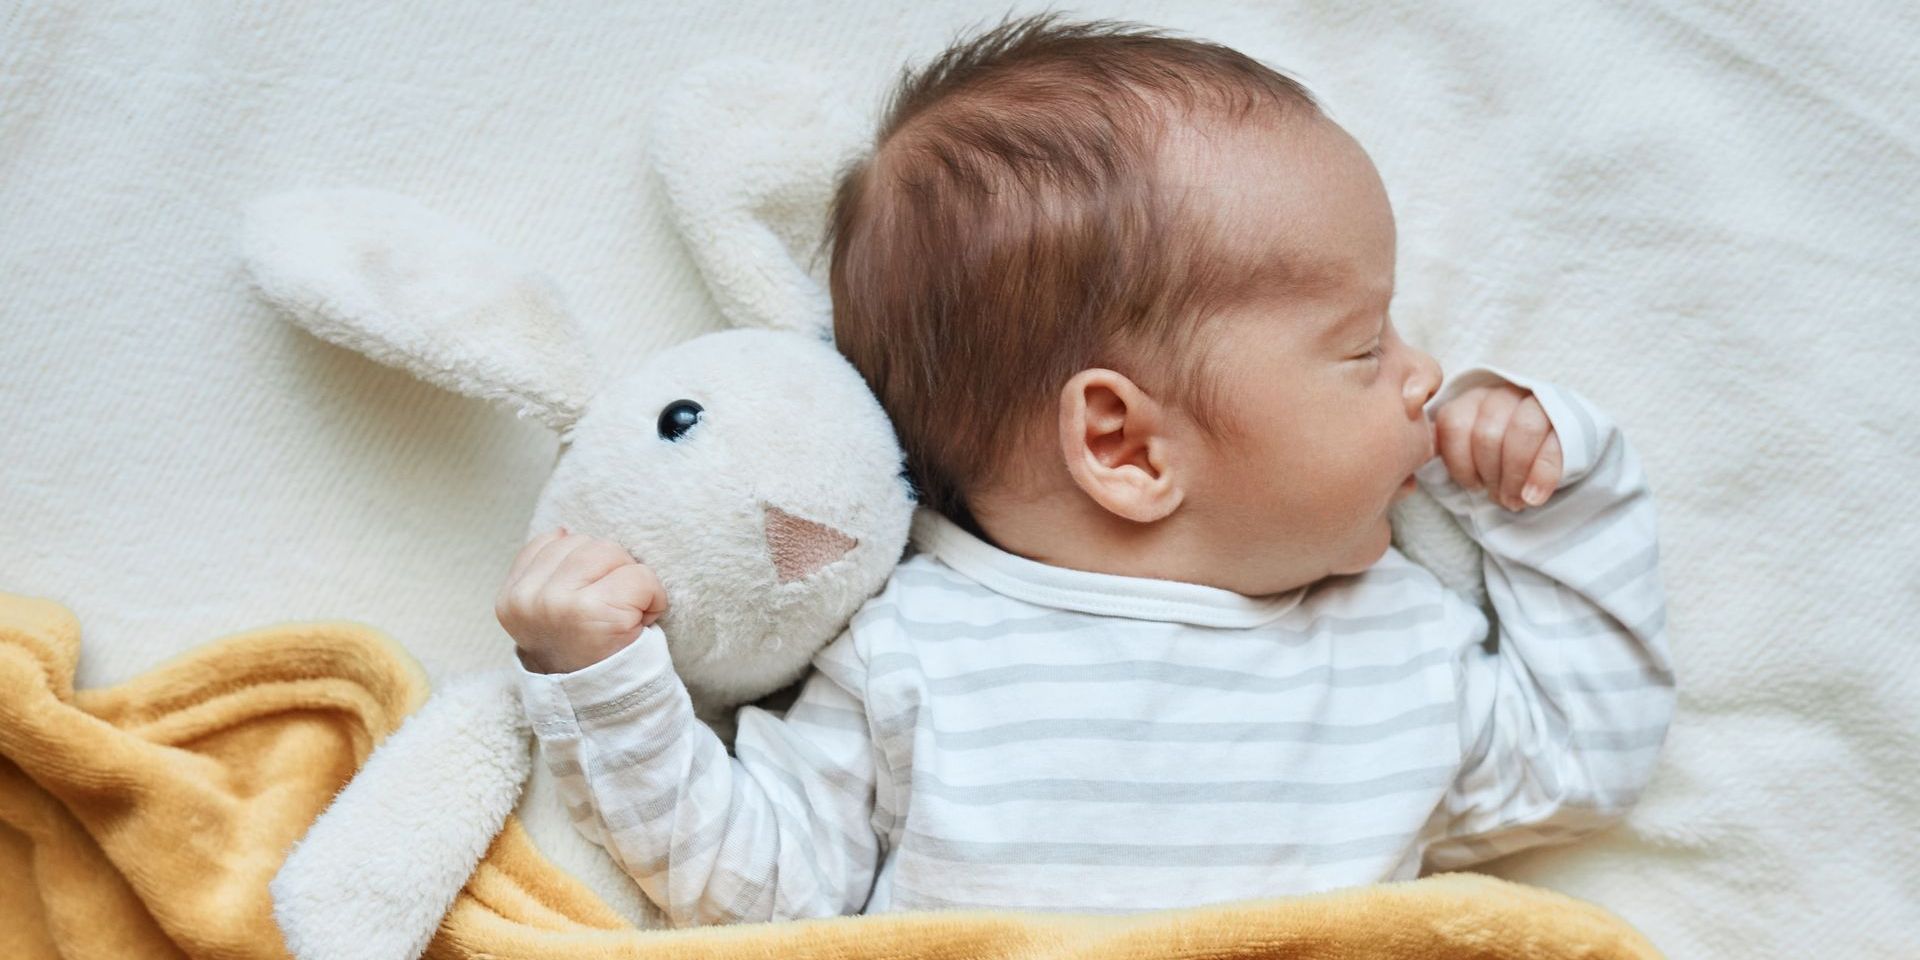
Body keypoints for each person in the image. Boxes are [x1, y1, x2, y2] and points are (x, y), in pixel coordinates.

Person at [496, 12, 1674, 925]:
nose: (1428, 380)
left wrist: (1552, 491)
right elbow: (754, 889)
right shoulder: (915, 659)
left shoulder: (1398, 649)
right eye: (1366, 350)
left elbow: (1588, 753)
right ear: (1123, 445)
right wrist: (610, 686)